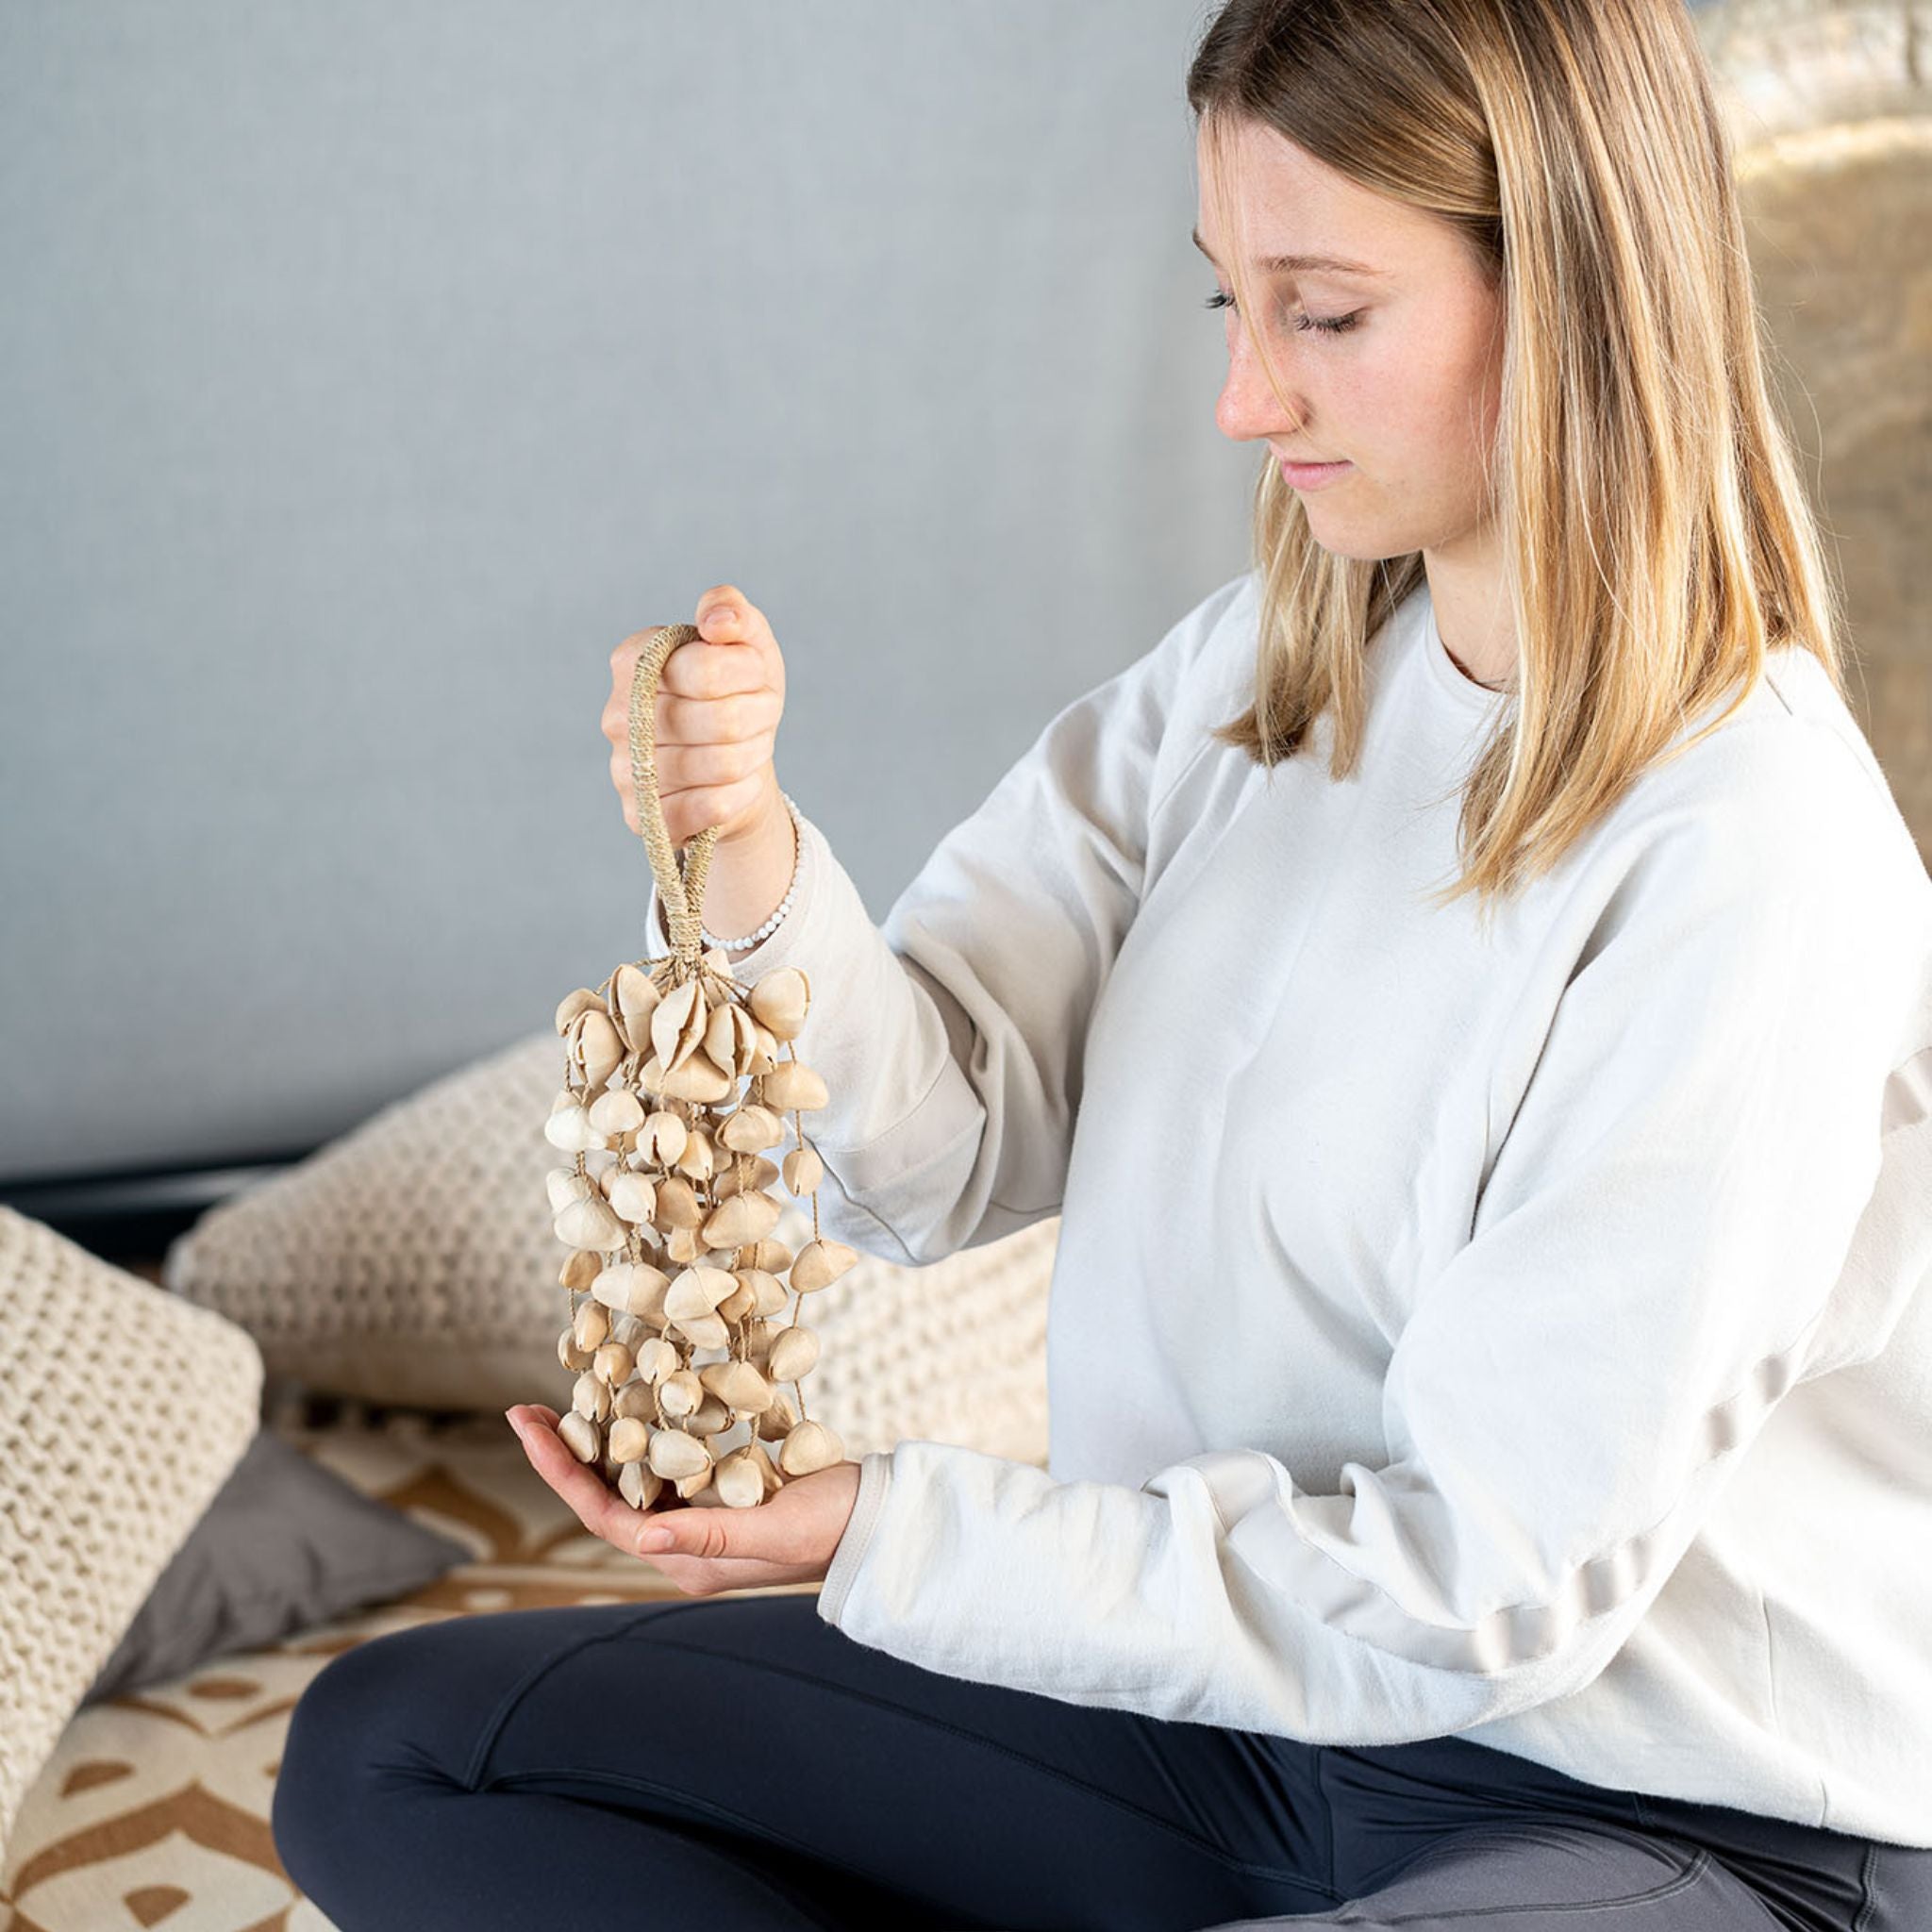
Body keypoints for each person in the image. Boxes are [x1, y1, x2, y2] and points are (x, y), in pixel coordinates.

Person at [270, 0, 1932, 1925]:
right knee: (400, 1746)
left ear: (1568, 290)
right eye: (1229, 301)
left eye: (1324, 311)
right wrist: (739, 854)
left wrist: (900, 1527)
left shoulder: (1749, 854)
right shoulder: (1252, 682)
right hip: (1222, 1718)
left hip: (1659, 1801)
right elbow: (932, 1151)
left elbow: (1482, 1591)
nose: (1245, 396)